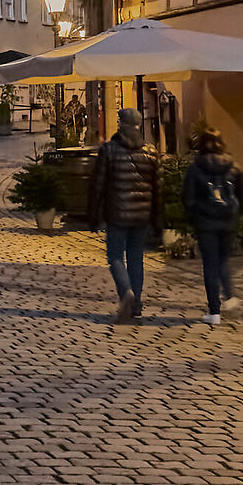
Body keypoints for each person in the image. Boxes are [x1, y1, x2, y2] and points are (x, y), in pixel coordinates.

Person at [87, 108, 162, 324]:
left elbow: (98, 185)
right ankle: (136, 304)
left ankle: (126, 294)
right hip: (142, 216)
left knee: (115, 257)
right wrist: (158, 219)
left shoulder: (109, 150)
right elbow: (158, 188)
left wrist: (92, 215)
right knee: (136, 258)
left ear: (123, 125)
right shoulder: (151, 151)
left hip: (117, 214)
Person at [181, 127, 243, 325]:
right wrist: (236, 213)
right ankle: (229, 297)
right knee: (222, 261)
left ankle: (214, 311)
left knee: (210, 265)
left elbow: (188, 198)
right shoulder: (233, 165)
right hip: (228, 221)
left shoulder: (195, 168)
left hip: (205, 223)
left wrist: (194, 218)